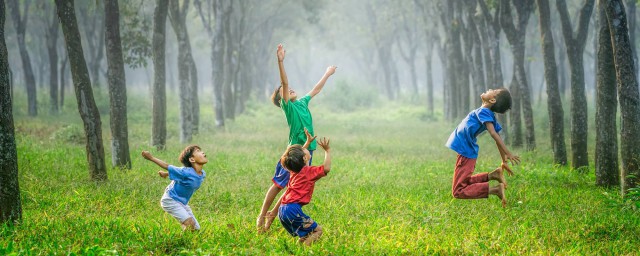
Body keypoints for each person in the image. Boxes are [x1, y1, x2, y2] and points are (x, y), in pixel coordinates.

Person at [257, 44, 337, 231]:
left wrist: (327, 73)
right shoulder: (288, 107)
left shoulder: (302, 102)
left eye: (291, 89)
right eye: (284, 91)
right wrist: (280, 61)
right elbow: (284, 83)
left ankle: (272, 218)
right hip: (294, 152)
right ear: (281, 99)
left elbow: (315, 89)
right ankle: (262, 216)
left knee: (293, 186)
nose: (290, 89)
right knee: (278, 185)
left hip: (307, 150)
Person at [445, 88, 520, 208]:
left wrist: (508, 153)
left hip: (466, 152)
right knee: (464, 181)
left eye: (493, 90)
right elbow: (497, 136)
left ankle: (495, 190)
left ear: (492, 99)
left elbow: (494, 134)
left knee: (458, 191)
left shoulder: (484, 112)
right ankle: (493, 175)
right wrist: (504, 160)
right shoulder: (487, 113)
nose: (489, 89)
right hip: (466, 151)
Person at [278, 136, 331, 246]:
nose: (304, 148)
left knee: (306, 234)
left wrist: (307, 143)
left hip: (282, 209)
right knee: (318, 231)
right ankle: (305, 251)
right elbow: (326, 168)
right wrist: (327, 151)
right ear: (304, 158)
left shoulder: (294, 170)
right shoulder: (308, 172)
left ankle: (298, 249)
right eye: (303, 149)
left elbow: (296, 157)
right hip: (292, 210)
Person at [141, 145, 208, 230]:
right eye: (198, 151)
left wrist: (165, 174)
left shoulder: (202, 174)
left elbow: (180, 174)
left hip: (182, 203)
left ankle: (185, 241)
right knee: (189, 224)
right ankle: (181, 242)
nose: (202, 152)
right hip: (170, 200)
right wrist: (151, 157)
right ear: (192, 159)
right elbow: (167, 166)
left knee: (196, 229)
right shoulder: (185, 172)